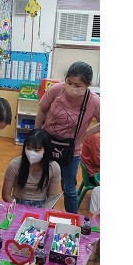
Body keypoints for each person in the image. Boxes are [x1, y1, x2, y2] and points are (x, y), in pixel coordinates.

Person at [35, 62, 100, 213]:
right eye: (69, 83)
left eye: (77, 85)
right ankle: (40, 215)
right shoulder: (56, 90)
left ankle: (73, 220)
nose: (71, 88)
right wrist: (36, 133)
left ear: (88, 85)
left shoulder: (93, 101)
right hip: (47, 143)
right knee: (42, 183)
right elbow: (42, 110)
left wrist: (85, 134)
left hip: (71, 151)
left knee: (69, 189)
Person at [1, 129, 62, 208]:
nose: (31, 153)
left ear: (46, 150)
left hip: (41, 205)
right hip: (17, 203)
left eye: (37, 150)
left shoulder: (53, 167)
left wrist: (43, 210)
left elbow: (52, 197)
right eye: (28, 148)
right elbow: (6, 195)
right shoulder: (15, 164)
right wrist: (17, 208)